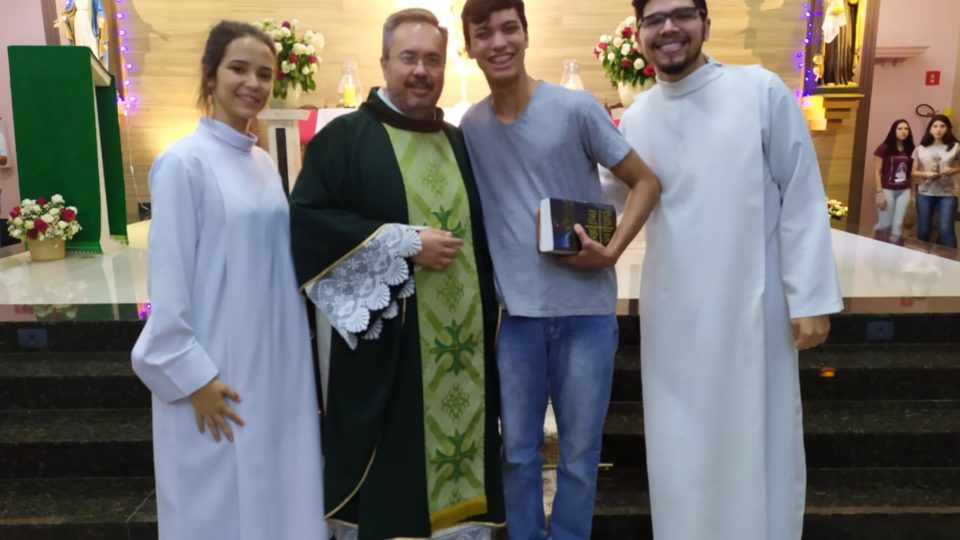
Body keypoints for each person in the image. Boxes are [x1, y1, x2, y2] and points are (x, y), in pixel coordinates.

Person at [619, 1, 843, 539]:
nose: (669, 29)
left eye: (682, 14)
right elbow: (607, 205)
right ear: (640, 34)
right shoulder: (637, 116)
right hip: (673, 317)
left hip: (752, 309)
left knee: (755, 440)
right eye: (654, 19)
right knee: (680, 450)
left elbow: (802, 193)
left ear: (705, 23)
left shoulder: (759, 91)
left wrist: (809, 297)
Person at [289, 9, 505, 540]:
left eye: (432, 60)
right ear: (384, 62)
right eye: (408, 58)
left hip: (464, 346)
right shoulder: (345, 138)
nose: (421, 71)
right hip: (391, 344)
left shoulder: (457, 141)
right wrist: (403, 243)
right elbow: (308, 222)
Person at [458, 1, 661, 538]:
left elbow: (646, 182)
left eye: (509, 29)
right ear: (469, 46)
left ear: (525, 34)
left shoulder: (575, 109)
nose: (498, 42)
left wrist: (613, 249)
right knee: (518, 454)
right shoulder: (471, 126)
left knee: (577, 455)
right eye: (484, 34)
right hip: (518, 319)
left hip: (586, 315)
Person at [130, 21, 325, 540]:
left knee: (277, 499)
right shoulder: (181, 163)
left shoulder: (260, 161)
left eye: (264, 73)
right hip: (216, 378)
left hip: (275, 367)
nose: (253, 84)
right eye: (239, 69)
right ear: (210, 74)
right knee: (217, 508)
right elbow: (169, 282)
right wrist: (193, 379)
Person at [911, 113, 959, 248]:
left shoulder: (955, 147)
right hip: (925, 193)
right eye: (935, 126)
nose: (938, 129)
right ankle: (922, 263)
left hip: (948, 194)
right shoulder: (920, 148)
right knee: (924, 230)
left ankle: (952, 265)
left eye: (942, 126)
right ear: (930, 129)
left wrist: (953, 170)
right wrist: (925, 174)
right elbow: (913, 172)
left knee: (946, 229)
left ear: (948, 128)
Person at [873, 119, 915, 243]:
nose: (903, 131)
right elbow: (877, 172)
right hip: (887, 190)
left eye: (906, 129)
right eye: (900, 128)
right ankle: (877, 247)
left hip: (904, 190)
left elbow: (911, 174)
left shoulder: (910, 149)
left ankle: (894, 252)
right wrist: (879, 193)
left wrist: (913, 194)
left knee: (898, 224)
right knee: (885, 222)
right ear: (894, 131)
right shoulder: (884, 148)